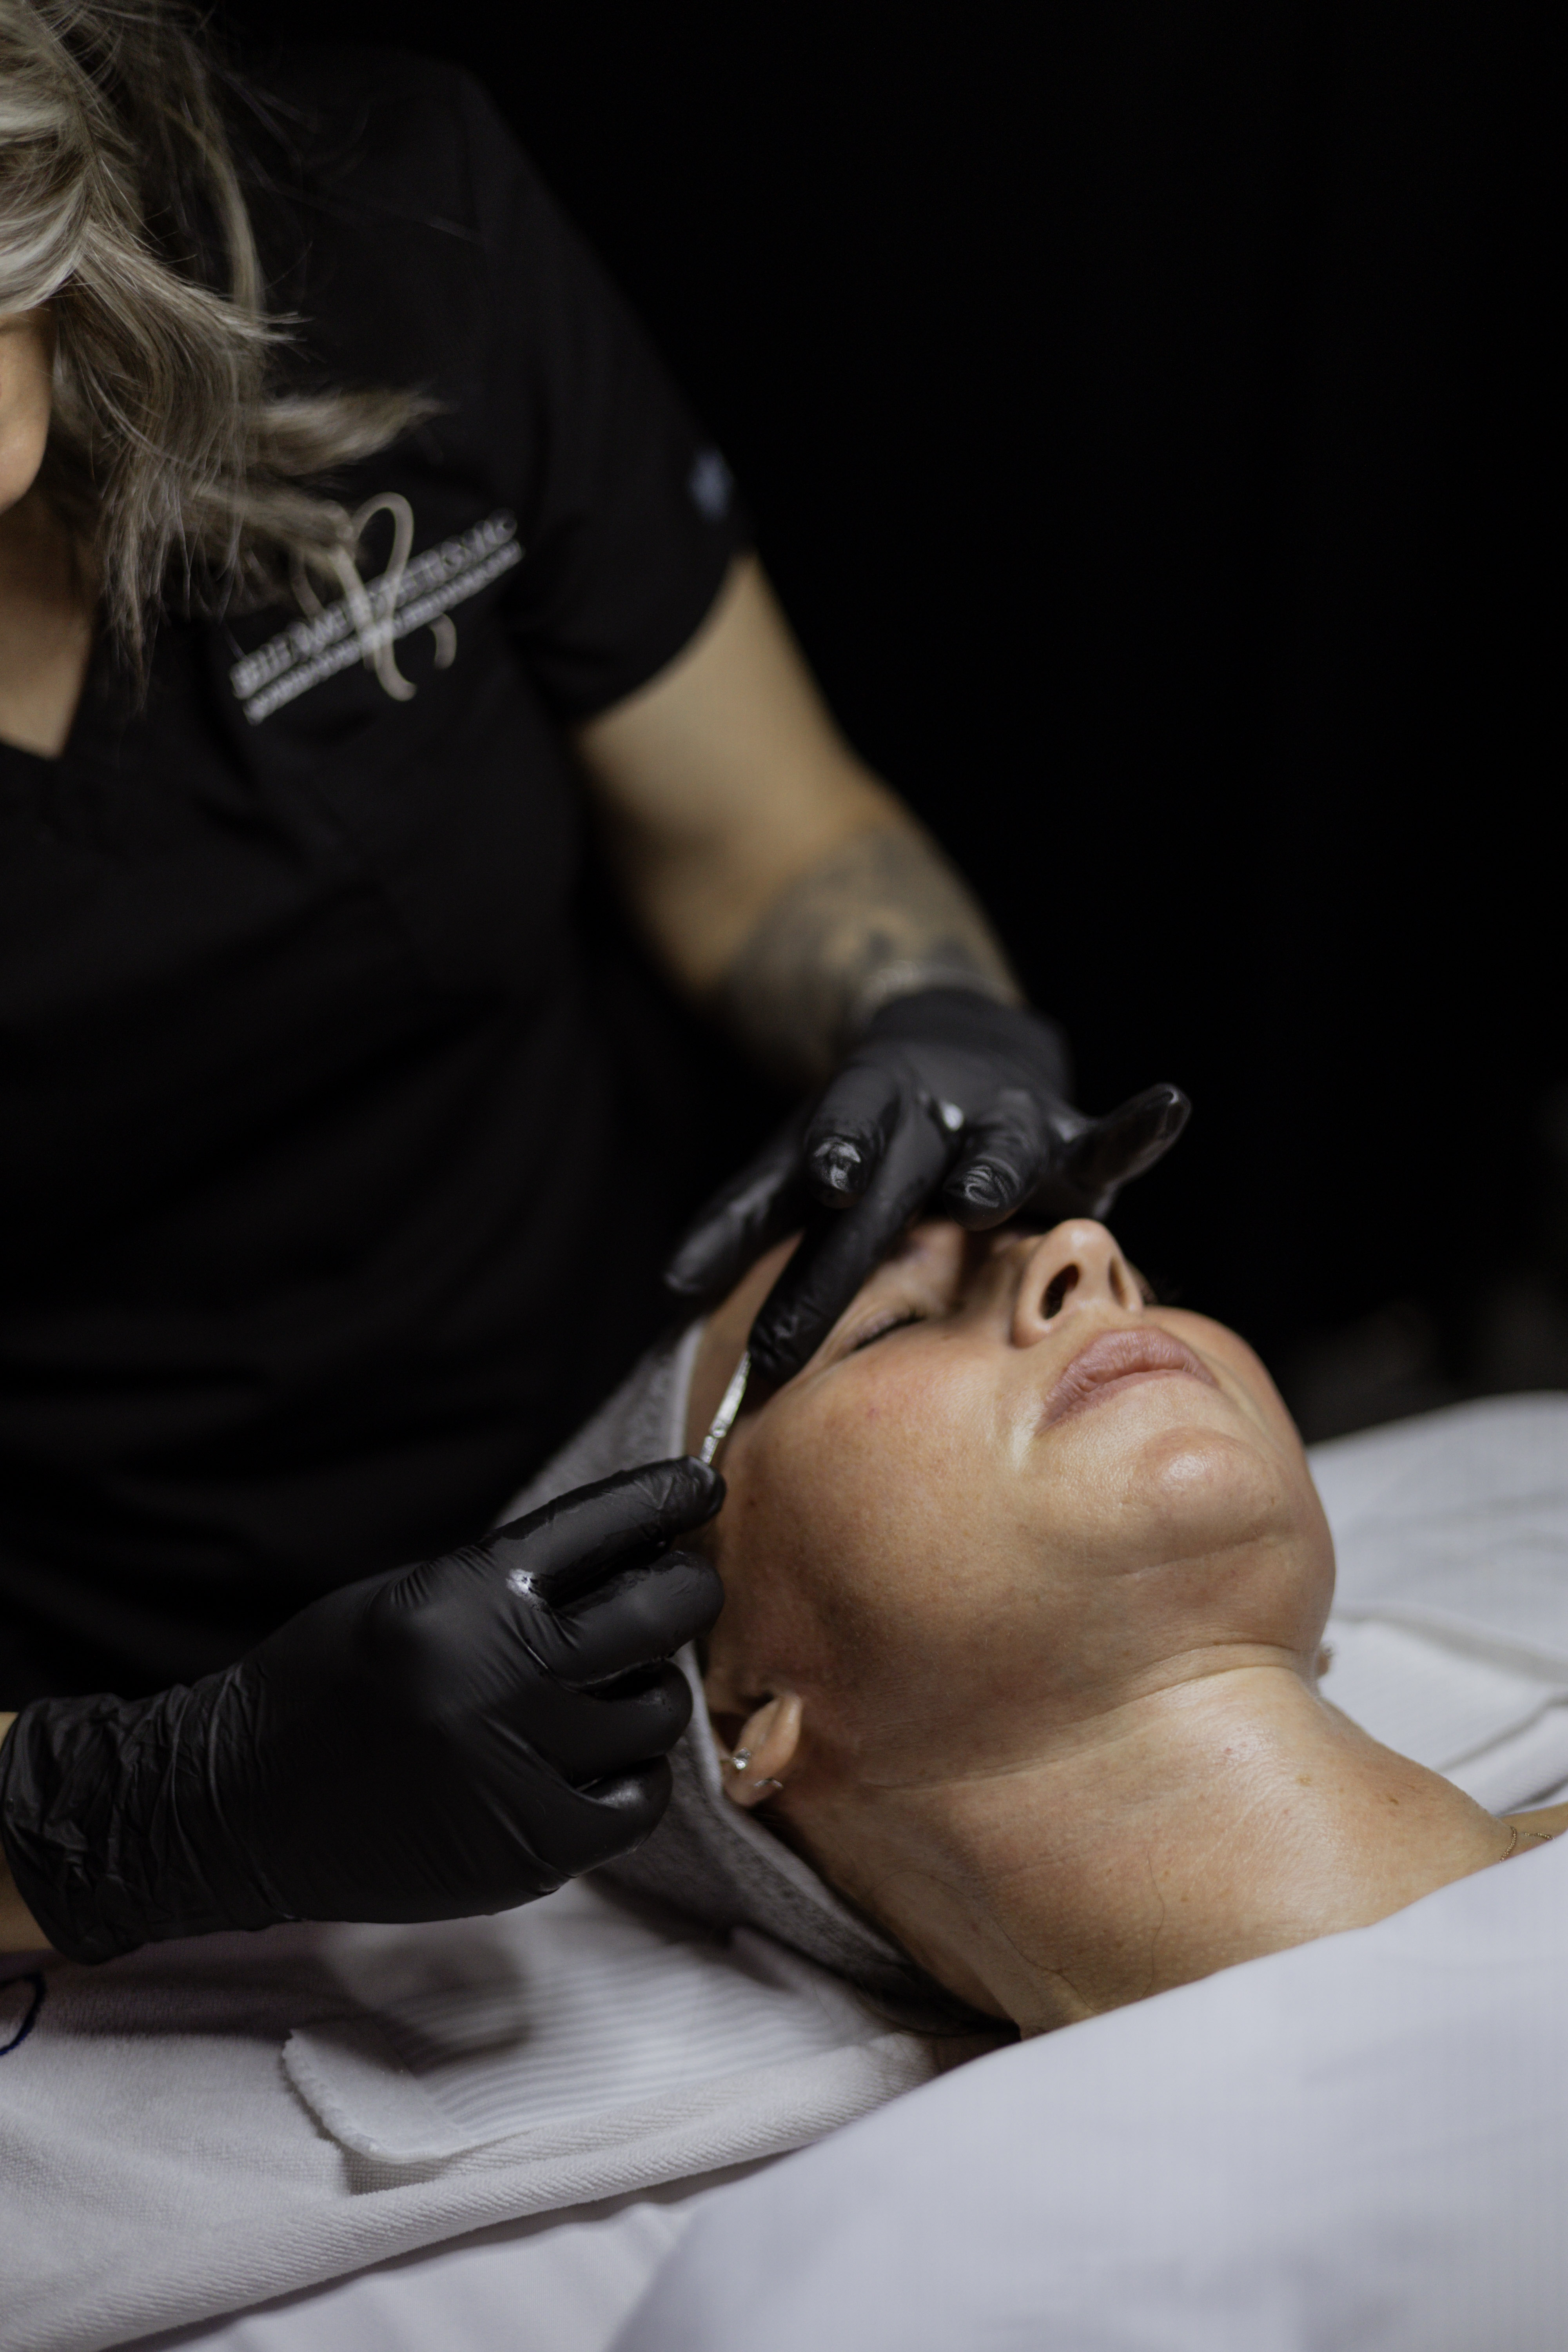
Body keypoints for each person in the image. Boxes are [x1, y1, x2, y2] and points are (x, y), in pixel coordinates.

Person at [0, 2, 1187, 1956]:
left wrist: (933, 1020)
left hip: (643, 1471)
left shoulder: (376, 228)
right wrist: (140, 1803)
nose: (1079, 1278)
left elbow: (770, 842)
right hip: (111, 1718)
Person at [670, 1213, 1562, 2032]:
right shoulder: (920, 2206)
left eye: (1148, 1280)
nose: (1084, 1246)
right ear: (735, 1715)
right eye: (889, 1324)